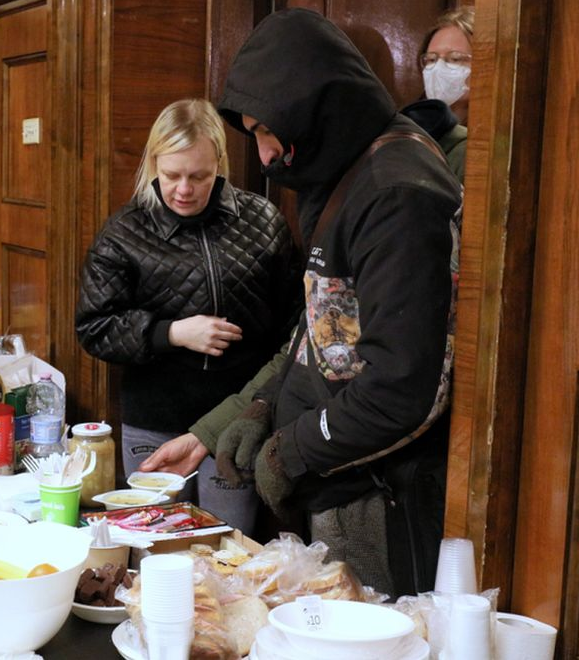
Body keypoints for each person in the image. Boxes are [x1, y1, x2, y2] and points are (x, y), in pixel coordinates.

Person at [156, 9, 463, 597]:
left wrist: (293, 449)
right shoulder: (347, 170)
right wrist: (259, 406)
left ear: (315, 111)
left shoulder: (397, 192)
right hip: (340, 484)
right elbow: (322, 331)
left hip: (383, 496)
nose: (267, 156)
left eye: (270, 133)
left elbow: (402, 388)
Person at [75, 99, 298, 534]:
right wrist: (171, 333)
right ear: (153, 163)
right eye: (171, 175)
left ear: (220, 162)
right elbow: (93, 327)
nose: (183, 189)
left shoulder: (262, 221)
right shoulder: (124, 231)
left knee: (228, 550)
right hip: (153, 422)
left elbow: (294, 322)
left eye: (199, 176)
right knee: (156, 552)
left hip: (232, 423)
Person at [403, 7, 474, 179]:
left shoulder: (478, 145)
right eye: (431, 60)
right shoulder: (408, 129)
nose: (438, 68)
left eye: (455, 59)